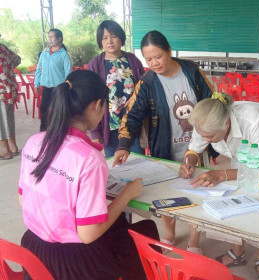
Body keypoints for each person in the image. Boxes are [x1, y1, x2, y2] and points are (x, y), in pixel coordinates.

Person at [19, 70, 159, 280]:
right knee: (147, 229)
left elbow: (23, 200)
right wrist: (127, 194)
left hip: (32, 247)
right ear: (96, 105)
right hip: (73, 263)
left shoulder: (35, 141)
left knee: (120, 222)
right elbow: (88, 234)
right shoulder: (89, 158)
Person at [112, 30, 214, 253]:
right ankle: (170, 233)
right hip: (164, 147)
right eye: (148, 59)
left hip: (196, 146)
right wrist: (123, 145)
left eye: (158, 56)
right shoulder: (147, 81)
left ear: (169, 51)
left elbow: (212, 101)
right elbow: (133, 115)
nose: (154, 63)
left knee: (199, 191)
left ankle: (194, 241)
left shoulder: (191, 70)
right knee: (167, 195)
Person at [179, 92, 259, 280]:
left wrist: (222, 174)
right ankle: (238, 251)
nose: (206, 140)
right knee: (239, 198)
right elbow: (194, 149)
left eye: (210, 137)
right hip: (242, 152)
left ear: (226, 125)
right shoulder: (206, 121)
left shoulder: (251, 119)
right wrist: (188, 162)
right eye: (202, 135)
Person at [87, 20, 146, 157]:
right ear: (100, 41)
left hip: (133, 124)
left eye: (113, 36)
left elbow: (143, 89)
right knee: (116, 169)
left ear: (121, 37)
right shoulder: (95, 65)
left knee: (139, 164)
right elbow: (89, 100)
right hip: (110, 127)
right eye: (105, 38)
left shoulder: (133, 60)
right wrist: (95, 132)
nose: (110, 41)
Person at [34, 28, 72, 131]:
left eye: (52, 37)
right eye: (49, 37)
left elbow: (68, 74)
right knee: (44, 109)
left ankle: (58, 132)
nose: (50, 39)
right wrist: (36, 83)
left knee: (58, 111)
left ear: (59, 39)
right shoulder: (44, 53)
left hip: (58, 88)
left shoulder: (64, 55)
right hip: (46, 87)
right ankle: (43, 131)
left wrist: (66, 88)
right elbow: (38, 69)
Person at [0, 37, 21, 159]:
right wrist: (7, 70)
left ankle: (5, 150)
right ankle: (13, 147)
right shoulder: (4, 48)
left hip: (1, 90)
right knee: (8, 118)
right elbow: (17, 59)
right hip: (10, 88)